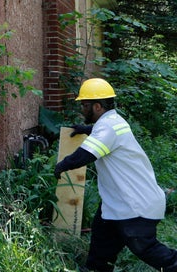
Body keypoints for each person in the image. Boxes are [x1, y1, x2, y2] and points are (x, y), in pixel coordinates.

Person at [54, 77, 177, 272]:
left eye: (84, 105)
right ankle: (95, 268)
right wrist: (85, 130)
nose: (82, 109)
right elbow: (101, 132)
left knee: (144, 248)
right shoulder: (113, 121)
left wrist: (61, 165)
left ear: (97, 107)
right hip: (119, 202)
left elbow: (85, 155)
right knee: (102, 236)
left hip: (135, 203)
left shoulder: (108, 127)